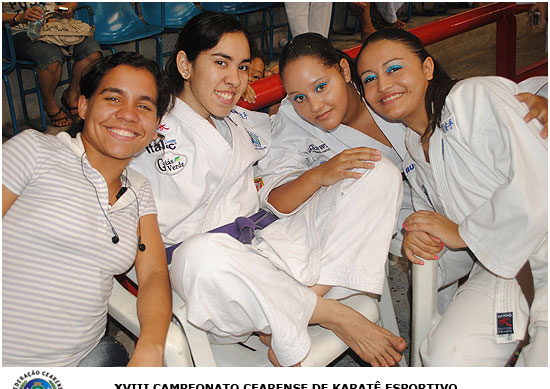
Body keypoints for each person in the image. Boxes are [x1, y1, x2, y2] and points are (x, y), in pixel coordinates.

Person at [131, 11, 406, 367]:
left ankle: (297, 306)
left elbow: (283, 133)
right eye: (220, 63)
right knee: (198, 255)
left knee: (377, 171)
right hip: (221, 280)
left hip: (271, 247)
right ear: (185, 65)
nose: (234, 80)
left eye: (242, 67)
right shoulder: (149, 130)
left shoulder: (240, 119)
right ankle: (330, 313)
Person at [259, 32, 548, 315]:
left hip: (470, 192)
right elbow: (275, 198)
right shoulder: (293, 118)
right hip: (405, 214)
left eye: (322, 86)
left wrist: (542, 101)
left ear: (345, 71)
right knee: (434, 284)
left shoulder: (385, 90)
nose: (315, 105)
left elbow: (494, 100)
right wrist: (319, 174)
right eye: (298, 97)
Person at [357, 28, 547, 366]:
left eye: (394, 68)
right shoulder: (413, 146)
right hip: (503, 269)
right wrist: (421, 239)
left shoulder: (470, 98)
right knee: (445, 357)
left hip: (540, 249)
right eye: (369, 78)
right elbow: (442, 229)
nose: (383, 85)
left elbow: (538, 184)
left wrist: (461, 233)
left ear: (427, 68)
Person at [2, 52, 173, 367]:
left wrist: (151, 346)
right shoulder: (35, 151)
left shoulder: (139, 189)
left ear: (155, 126)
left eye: (144, 106)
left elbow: (154, 274)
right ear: (83, 106)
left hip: (85, 358)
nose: (128, 114)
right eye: (113, 98)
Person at [2, 2, 102, 126]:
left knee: (92, 52)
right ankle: (48, 102)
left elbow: (71, 3)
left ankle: (72, 94)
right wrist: (18, 17)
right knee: (51, 58)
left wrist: (69, 8)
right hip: (22, 33)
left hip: (59, 28)